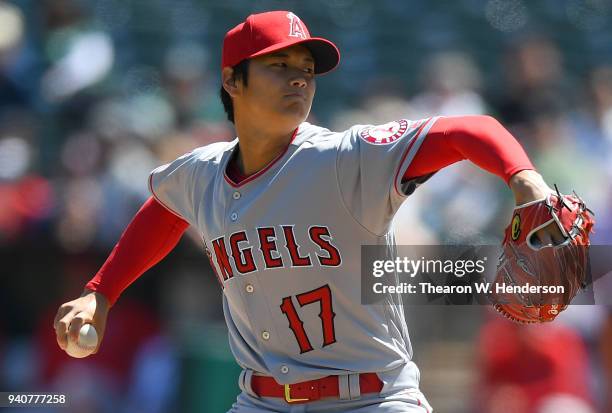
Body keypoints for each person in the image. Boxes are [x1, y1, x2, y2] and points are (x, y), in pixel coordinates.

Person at [54, 10, 565, 412]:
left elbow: (469, 130)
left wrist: (525, 180)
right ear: (233, 80)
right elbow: (164, 211)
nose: (299, 79)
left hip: (374, 400)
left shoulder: (347, 157)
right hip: (260, 401)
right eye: (280, 66)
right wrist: (101, 293)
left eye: (306, 70)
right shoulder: (201, 172)